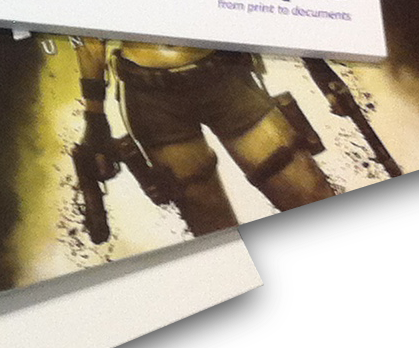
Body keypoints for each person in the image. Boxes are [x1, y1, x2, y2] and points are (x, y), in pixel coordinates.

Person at [74, 39, 337, 234]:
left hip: (224, 75)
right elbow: (90, 37)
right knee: (214, 232)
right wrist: (95, 119)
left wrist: (319, 68)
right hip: (150, 98)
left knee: (314, 204)